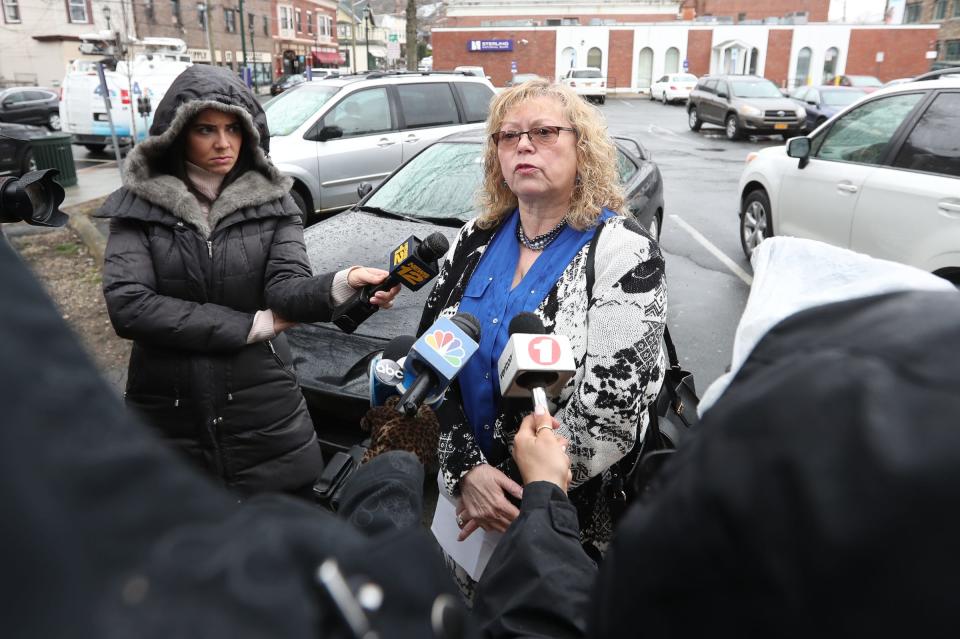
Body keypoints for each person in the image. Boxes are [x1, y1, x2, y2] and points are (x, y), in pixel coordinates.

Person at [98, 65, 399, 496]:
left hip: (262, 403)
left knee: (281, 537)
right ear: (178, 133)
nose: (223, 143)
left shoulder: (274, 202)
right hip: (169, 407)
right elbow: (129, 306)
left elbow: (285, 288)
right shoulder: (139, 206)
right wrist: (249, 326)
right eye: (206, 129)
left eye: (233, 129)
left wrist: (344, 282)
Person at [418, 79, 667, 589]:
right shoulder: (473, 239)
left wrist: (522, 497)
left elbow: (612, 411)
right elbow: (427, 367)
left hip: (562, 521)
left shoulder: (624, 253)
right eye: (508, 137)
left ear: (584, 148)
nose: (523, 145)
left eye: (544, 132)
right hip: (466, 511)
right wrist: (466, 474)